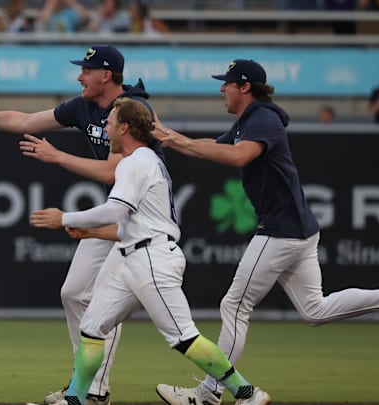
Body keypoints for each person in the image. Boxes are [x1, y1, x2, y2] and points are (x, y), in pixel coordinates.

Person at [153, 59, 379, 405]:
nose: (222, 87)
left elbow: (238, 157)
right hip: (299, 229)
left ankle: (208, 393)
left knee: (234, 306)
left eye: (228, 83)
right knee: (315, 310)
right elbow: (215, 146)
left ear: (245, 87)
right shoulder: (248, 121)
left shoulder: (262, 118)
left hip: (280, 231)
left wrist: (174, 139)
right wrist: (171, 138)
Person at [30, 97, 271, 405]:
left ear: (125, 128)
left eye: (111, 122)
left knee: (184, 338)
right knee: (92, 326)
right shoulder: (141, 161)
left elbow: (114, 210)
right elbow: (128, 222)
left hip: (152, 260)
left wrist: (63, 217)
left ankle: (247, 393)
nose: (106, 126)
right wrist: (88, 230)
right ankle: (76, 399)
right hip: (132, 257)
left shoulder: (137, 161)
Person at [0, 44, 157, 405]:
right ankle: (84, 385)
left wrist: (56, 156)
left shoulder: (134, 110)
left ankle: (90, 391)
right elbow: (23, 122)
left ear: (106, 75)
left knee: (108, 303)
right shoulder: (82, 105)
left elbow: (113, 170)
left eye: (86, 70)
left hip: (142, 219)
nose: (79, 76)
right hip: (115, 210)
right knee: (73, 293)